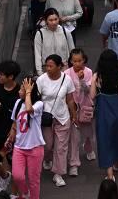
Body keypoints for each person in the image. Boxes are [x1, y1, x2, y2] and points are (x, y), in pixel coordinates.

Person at [36, 54, 77, 188]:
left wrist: (73, 115)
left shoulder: (67, 79)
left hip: (62, 117)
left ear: (60, 67)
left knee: (61, 147)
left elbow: (70, 99)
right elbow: (37, 99)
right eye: (46, 66)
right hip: (46, 118)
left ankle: (58, 174)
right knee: (47, 145)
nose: (48, 68)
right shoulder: (41, 80)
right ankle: (47, 159)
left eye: (51, 66)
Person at [89, 49, 118, 181]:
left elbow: (92, 96)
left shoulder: (97, 76)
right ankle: (117, 162)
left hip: (103, 112)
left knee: (105, 140)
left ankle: (110, 174)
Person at [0, 60, 21, 193]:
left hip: (13, 134)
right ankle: (5, 176)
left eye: (1, 75)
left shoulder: (19, 92)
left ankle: (14, 194)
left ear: (10, 77)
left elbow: (22, 115)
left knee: (15, 167)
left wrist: (14, 129)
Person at [8, 78, 45, 199]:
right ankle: (25, 192)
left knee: (34, 181)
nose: (19, 91)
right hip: (19, 147)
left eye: (22, 89)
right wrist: (12, 133)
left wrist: (28, 92)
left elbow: (29, 109)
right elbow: (14, 121)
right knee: (17, 176)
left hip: (35, 148)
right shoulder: (18, 103)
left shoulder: (39, 104)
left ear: (30, 91)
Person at [64, 49, 96, 176]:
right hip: (73, 109)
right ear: (71, 61)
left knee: (89, 134)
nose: (77, 63)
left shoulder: (88, 72)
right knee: (74, 138)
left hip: (86, 107)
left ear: (84, 60)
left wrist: (82, 79)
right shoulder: (66, 73)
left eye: (79, 61)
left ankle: (88, 149)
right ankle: (74, 164)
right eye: (74, 61)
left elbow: (88, 91)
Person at [33, 8, 74, 75]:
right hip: (47, 69)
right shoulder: (40, 34)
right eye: (51, 20)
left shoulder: (65, 32)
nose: (54, 22)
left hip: (63, 69)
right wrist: (39, 71)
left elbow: (72, 51)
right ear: (46, 21)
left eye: (56, 19)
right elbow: (37, 54)